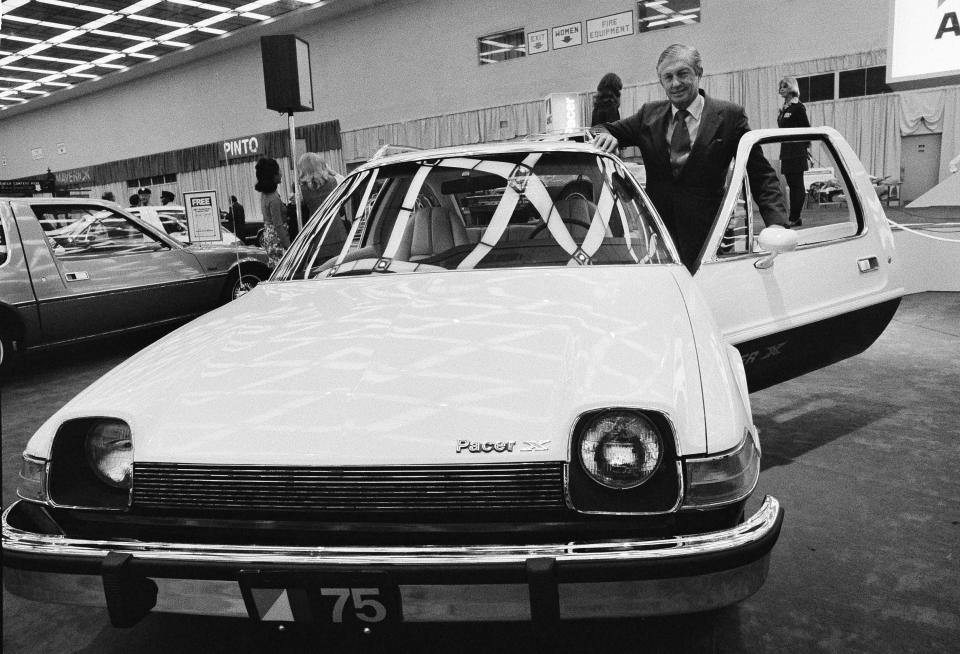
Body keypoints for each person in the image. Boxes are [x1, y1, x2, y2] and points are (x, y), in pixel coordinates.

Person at [593, 44, 787, 272]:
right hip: (660, 238)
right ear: (661, 82)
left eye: (682, 73)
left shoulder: (730, 117)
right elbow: (600, 129)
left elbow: (760, 174)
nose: (675, 83)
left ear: (699, 73)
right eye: (668, 77)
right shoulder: (648, 115)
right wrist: (607, 137)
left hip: (711, 239)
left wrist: (776, 224)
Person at [777, 76, 811, 227]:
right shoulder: (785, 108)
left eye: (784, 86)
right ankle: (795, 217)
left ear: (792, 88)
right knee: (792, 184)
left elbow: (806, 129)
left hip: (797, 151)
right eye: (780, 87)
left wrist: (806, 148)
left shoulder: (798, 107)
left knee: (797, 185)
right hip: (786, 150)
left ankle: (795, 216)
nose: (781, 89)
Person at [255, 158, 290, 265]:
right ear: (273, 176)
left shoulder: (265, 195)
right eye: (279, 171)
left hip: (270, 237)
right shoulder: (274, 198)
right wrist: (290, 246)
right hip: (278, 239)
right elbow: (278, 225)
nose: (281, 174)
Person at [298, 152, 343, 217]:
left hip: (316, 224)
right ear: (320, 166)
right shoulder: (333, 181)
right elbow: (346, 182)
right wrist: (331, 172)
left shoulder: (302, 189)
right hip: (334, 221)